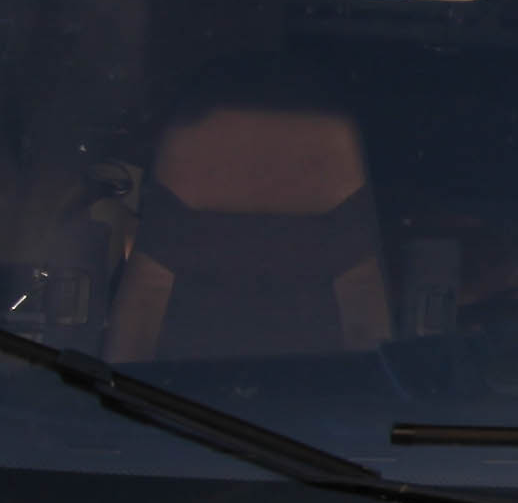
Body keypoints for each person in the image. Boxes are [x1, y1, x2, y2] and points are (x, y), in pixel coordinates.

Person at [107, 90, 389, 363]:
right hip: (167, 405)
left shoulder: (345, 238)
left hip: (322, 406)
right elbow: (132, 348)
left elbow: (367, 339)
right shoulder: (172, 225)